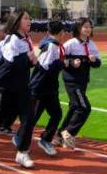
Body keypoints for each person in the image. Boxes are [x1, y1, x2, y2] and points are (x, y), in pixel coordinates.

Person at [0, 10, 37, 168]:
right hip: (6, 85)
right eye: (25, 18)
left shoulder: (26, 39)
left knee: (29, 118)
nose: (29, 21)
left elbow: (24, 63)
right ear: (16, 21)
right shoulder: (12, 40)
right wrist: (28, 58)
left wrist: (32, 61)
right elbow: (10, 64)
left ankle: (22, 152)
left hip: (22, 85)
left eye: (29, 18)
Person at [17, 19, 69, 158]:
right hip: (40, 88)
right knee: (32, 117)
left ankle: (45, 140)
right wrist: (63, 63)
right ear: (61, 32)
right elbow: (45, 66)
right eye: (63, 31)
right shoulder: (51, 46)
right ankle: (21, 139)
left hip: (50, 88)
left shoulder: (53, 45)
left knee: (56, 114)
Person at [58, 17, 101, 149]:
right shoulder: (71, 44)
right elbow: (59, 59)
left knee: (74, 108)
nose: (88, 29)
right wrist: (71, 63)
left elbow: (98, 63)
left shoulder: (91, 45)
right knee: (84, 107)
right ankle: (69, 132)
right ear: (78, 28)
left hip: (83, 81)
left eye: (90, 27)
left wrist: (94, 61)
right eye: (85, 27)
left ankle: (59, 136)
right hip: (72, 81)